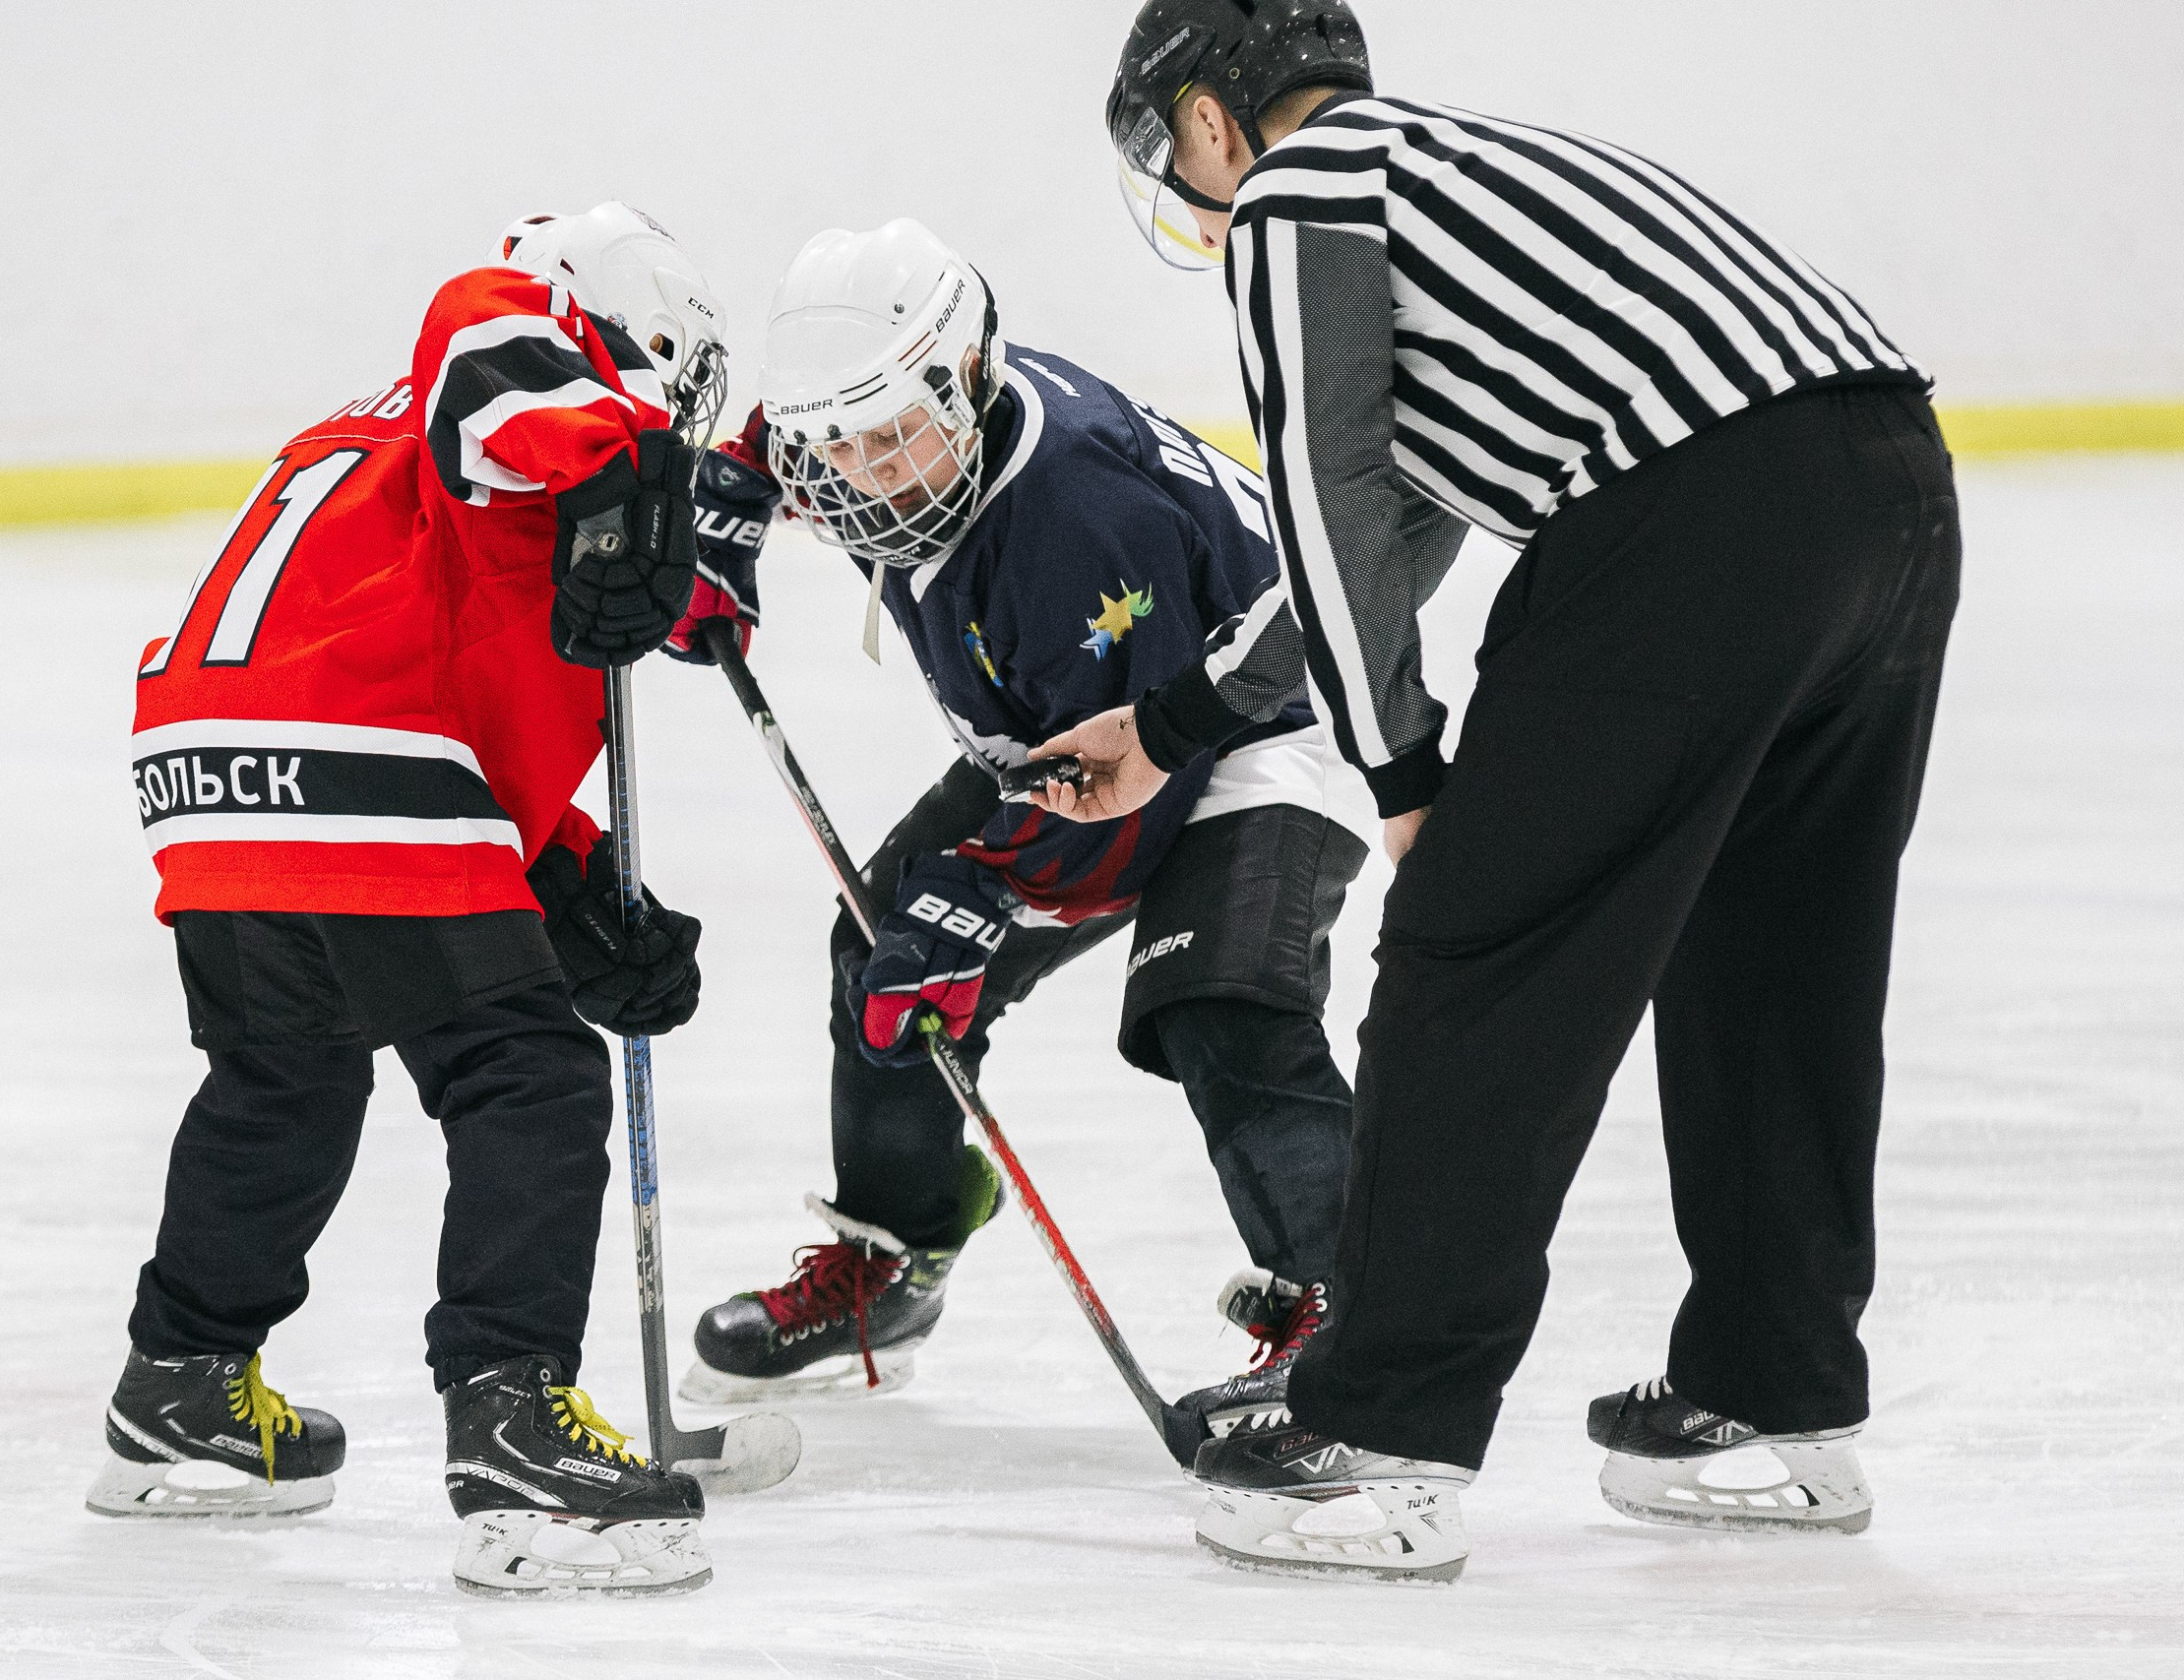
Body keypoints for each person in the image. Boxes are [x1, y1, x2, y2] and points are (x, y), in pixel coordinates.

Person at [1038, 0, 1960, 1579]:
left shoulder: (1298, 190)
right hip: (1890, 487)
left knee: (1475, 952)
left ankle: (1379, 1433)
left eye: (1177, 153)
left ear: (1207, 119)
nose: (1192, 195)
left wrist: (1401, 768)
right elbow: (1406, 518)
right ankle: (1776, 1398)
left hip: (1692, 521)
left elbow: (1328, 498)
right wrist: (1177, 720)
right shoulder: (1460, 176)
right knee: (1776, 959)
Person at [663, 218, 1430, 1459]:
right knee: (883, 946)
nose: (863, 475)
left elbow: (1125, 803)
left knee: (1219, 1001)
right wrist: (736, 495)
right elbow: (792, 427)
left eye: (888, 436)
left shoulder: (1076, 521)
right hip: (1076, 723)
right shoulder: (887, 418)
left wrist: (980, 899)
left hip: (1257, 723)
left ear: (965, 378)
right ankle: (893, 1260)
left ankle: (1356, 1327)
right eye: (832, 445)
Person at [95, 203, 731, 1598]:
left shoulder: (395, 441)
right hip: (351, 757)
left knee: (286, 1078)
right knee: (528, 1072)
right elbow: (483, 319)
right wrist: (620, 458)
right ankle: (511, 1424)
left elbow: (424, 680)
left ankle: (182, 1378)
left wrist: (566, 885)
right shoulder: (518, 356)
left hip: (215, 768)